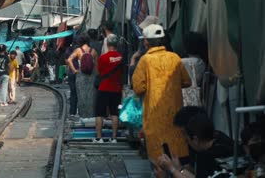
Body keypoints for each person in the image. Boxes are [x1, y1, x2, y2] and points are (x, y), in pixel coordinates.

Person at [132, 24, 192, 161]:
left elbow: (138, 88)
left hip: (154, 116)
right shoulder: (175, 58)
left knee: (158, 159)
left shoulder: (145, 60)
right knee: (177, 154)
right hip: (175, 114)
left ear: (146, 41)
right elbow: (187, 82)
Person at [156, 112, 234, 178]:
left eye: (187, 138)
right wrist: (179, 168)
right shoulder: (222, 141)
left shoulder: (205, 157)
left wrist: (172, 169)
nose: (185, 141)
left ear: (195, 139)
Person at [93, 34, 123, 144]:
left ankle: (99, 138)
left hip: (104, 88)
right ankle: (114, 138)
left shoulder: (103, 58)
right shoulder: (121, 57)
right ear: (117, 45)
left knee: (99, 113)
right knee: (115, 113)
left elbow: (100, 72)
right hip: (116, 89)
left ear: (107, 44)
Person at [67, 33, 99, 118]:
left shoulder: (78, 50)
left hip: (80, 75)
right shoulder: (94, 51)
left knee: (81, 97)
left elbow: (69, 60)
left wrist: (74, 70)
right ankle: (91, 115)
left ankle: (82, 115)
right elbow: (97, 65)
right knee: (91, 96)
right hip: (91, 75)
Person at [65, 43, 79, 118]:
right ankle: (79, 111)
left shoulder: (68, 50)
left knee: (73, 93)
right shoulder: (80, 50)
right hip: (79, 73)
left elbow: (66, 61)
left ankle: (72, 112)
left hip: (71, 73)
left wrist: (73, 69)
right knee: (79, 93)